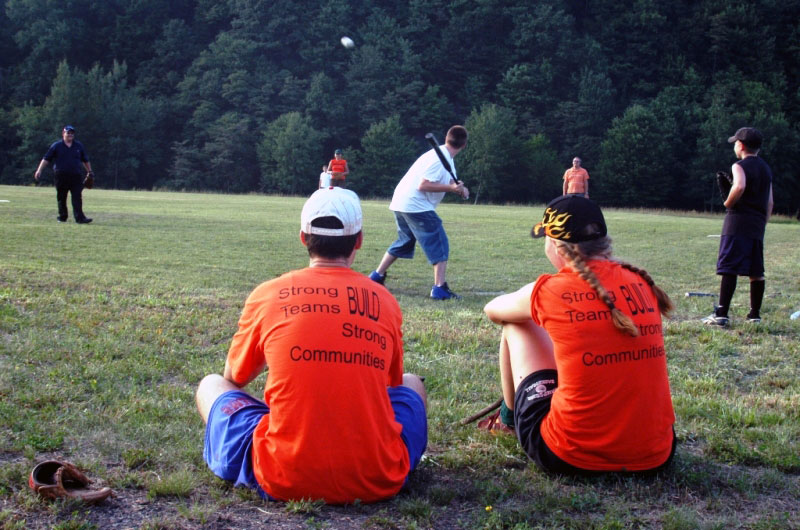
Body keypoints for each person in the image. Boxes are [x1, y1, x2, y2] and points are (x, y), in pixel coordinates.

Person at [195, 187, 428, 504]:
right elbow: (392, 384)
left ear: (303, 237)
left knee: (211, 385)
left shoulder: (269, 293)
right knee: (413, 383)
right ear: (358, 240)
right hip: (376, 476)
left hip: (282, 474)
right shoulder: (384, 300)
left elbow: (234, 377)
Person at [482, 195, 676, 475]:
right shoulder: (641, 282)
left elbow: (493, 311)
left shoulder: (552, 290)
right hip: (656, 454)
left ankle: (508, 420)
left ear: (555, 245)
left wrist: (534, 297)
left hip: (569, 454)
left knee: (515, 324)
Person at [368, 126, 470, 300]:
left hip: (401, 202)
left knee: (405, 241)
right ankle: (439, 288)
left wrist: (460, 188)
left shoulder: (443, 156)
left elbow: (450, 179)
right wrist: (451, 189)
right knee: (439, 242)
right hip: (415, 205)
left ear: (447, 138)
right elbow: (423, 185)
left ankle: (377, 276)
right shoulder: (440, 158)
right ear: (464, 144)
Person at [702, 127, 773, 326]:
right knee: (756, 271)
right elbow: (770, 202)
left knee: (729, 267)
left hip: (737, 221)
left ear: (740, 145)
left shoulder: (739, 166)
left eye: (735, 142)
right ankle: (754, 316)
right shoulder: (766, 169)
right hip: (757, 224)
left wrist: (728, 202)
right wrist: (762, 222)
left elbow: (739, 185)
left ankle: (721, 313)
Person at [34, 125, 93, 223]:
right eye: (68, 133)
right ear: (63, 134)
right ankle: (62, 217)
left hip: (76, 175)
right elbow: (46, 159)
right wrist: (39, 170)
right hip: (61, 175)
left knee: (77, 196)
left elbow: (85, 160)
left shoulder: (78, 146)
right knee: (62, 196)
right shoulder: (56, 146)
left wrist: (90, 171)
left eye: (72, 133)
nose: (70, 135)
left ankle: (80, 218)